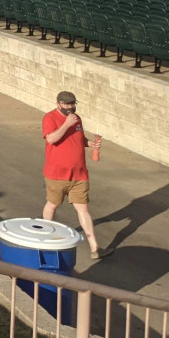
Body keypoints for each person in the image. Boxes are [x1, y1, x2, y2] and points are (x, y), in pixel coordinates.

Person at [41, 91, 111, 260]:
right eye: (67, 104)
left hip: (79, 174)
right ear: (58, 104)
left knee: (83, 208)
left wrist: (90, 143)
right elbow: (51, 139)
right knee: (52, 204)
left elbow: (79, 139)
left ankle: (95, 247)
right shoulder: (49, 118)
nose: (70, 107)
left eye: (73, 104)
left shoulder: (77, 118)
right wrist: (66, 124)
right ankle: (46, 239)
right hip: (57, 174)